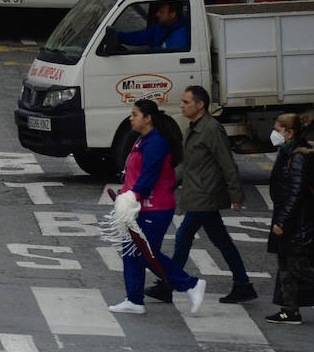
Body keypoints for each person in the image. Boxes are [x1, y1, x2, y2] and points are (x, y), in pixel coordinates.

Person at [144, 85, 254, 304]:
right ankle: (243, 284)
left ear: (200, 104)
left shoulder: (211, 129)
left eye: (186, 102)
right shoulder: (194, 127)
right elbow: (188, 164)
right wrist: (164, 183)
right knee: (221, 240)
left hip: (205, 195)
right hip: (198, 193)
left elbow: (227, 163)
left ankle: (168, 284)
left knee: (184, 236)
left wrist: (236, 195)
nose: (182, 106)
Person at [107, 99, 206, 314]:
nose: (131, 118)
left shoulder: (155, 143)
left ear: (148, 118)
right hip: (139, 207)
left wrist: (132, 197)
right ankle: (134, 300)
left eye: (135, 114)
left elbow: (148, 176)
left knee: (145, 253)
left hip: (154, 208)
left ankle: (190, 284)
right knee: (131, 252)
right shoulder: (143, 140)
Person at [266, 112, 313, 324]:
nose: (274, 133)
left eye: (277, 129)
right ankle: (290, 311)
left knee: (298, 268)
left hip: (297, 222)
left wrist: (283, 222)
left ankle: (290, 309)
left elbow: (296, 192)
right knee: (285, 266)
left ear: (289, 132)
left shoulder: (298, 156)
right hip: (289, 218)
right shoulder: (287, 151)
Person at [117, 0, 190, 51]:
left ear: (172, 15)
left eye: (161, 12)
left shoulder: (179, 38)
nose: (157, 14)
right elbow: (141, 37)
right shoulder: (163, 27)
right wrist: (118, 37)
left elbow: (161, 58)